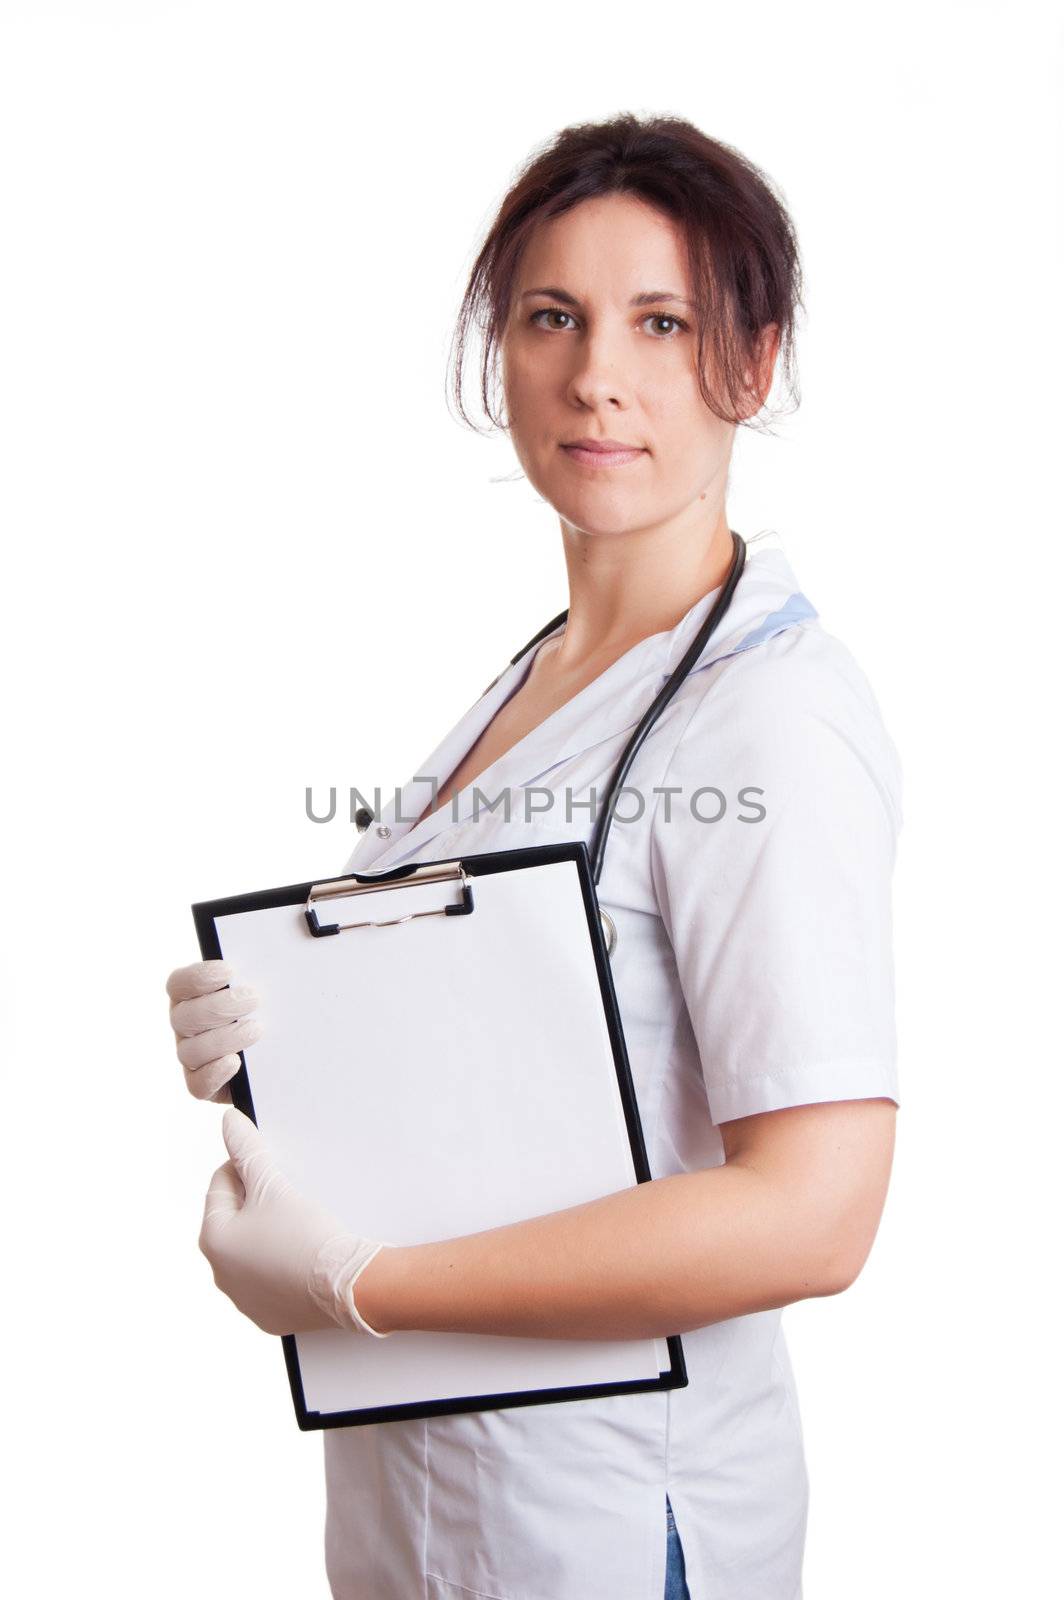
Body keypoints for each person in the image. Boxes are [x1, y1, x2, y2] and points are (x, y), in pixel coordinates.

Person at [167, 112, 902, 1600]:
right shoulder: (543, 680)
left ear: (751, 367)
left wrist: (371, 1289)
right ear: (500, 352)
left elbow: (818, 1210)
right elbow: (512, 1055)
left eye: (661, 322)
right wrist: (283, 1038)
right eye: (552, 317)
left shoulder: (764, 717)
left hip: (614, 1526)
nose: (596, 377)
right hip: (426, 1511)